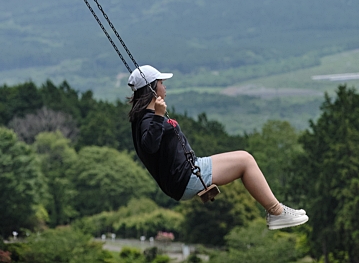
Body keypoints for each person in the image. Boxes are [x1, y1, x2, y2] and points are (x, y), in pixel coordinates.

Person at [128, 65, 308, 230]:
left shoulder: (143, 116)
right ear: (152, 88)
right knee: (245, 160)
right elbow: (149, 147)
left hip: (186, 172)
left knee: (244, 158)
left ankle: (277, 210)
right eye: (161, 83)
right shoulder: (148, 119)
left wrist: (158, 115)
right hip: (185, 177)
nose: (165, 87)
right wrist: (159, 116)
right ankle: (276, 212)